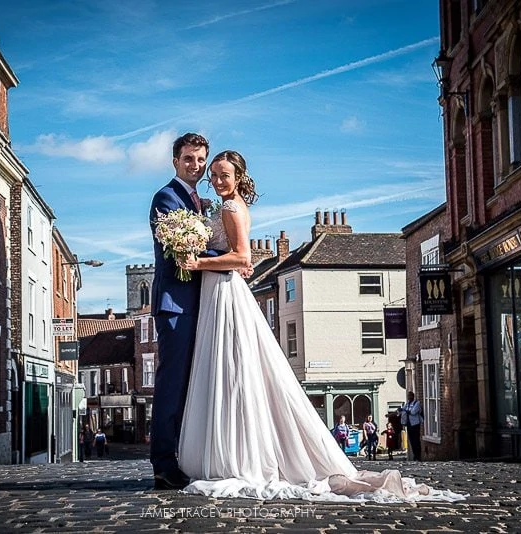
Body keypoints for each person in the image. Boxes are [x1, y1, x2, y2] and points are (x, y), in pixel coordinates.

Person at [175, 150, 463, 503]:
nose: (218, 181)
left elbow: (243, 258)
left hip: (223, 288)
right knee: (228, 370)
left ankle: (240, 454)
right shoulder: (221, 207)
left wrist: (197, 260)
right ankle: (231, 448)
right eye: (214, 176)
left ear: (239, 178)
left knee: (234, 369)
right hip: (217, 289)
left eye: (224, 175)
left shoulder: (233, 208)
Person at [148, 132, 216, 490]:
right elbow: (183, 254)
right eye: (189, 158)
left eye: (201, 159)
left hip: (198, 304)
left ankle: (186, 456)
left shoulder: (199, 203)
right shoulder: (166, 198)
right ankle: (163, 462)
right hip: (175, 306)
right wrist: (233, 258)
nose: (196, 165)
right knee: (171, 385)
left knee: (193, 385)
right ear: (175, 161)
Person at [400, 391, 424, 461]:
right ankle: (415, 455)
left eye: (410, 396)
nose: (409, 398)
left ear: (413, 396)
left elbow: (413, 412)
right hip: (409, 424)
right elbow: (403, 409)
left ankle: (418, 456)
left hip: (415, 424)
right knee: (411, 441)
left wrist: (405, 411)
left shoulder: (417, 403)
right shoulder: (407, 404)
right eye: (408, 396)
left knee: (416, 440)